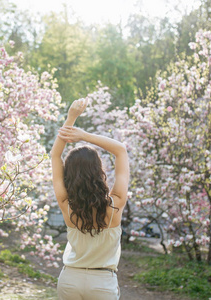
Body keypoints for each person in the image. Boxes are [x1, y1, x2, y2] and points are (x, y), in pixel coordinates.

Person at [51, 98, 130, 300]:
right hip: (102, 283)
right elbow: (120, 150)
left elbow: (54, 156)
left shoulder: (67, 206)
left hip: (70, 280)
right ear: (99, 172)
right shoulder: (115, 204)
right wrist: (84, 136)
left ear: (69, 174)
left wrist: (71, 118)